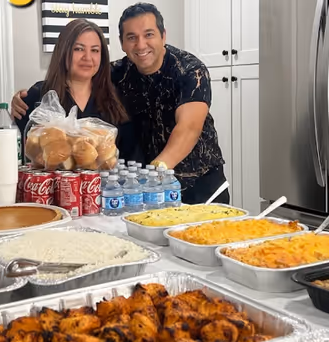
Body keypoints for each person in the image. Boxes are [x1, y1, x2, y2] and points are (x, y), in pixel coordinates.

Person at [13, 3, 228, 204]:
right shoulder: (117, 75)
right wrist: (22, 99)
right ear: (122, 43)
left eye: (149, 35)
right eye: (132, 37)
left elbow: (189, 128)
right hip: (131, 193)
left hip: (199, 187)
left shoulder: (190, 70)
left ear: (163, 36)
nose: (141, 44)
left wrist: (152, 175)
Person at [12, 18, 133, 161]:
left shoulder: (116, 99)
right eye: (79, 49)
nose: (87, 57)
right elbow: (15, 154)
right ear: (63, 51)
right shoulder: (38, 95)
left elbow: (130, 157)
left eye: (95, 50)